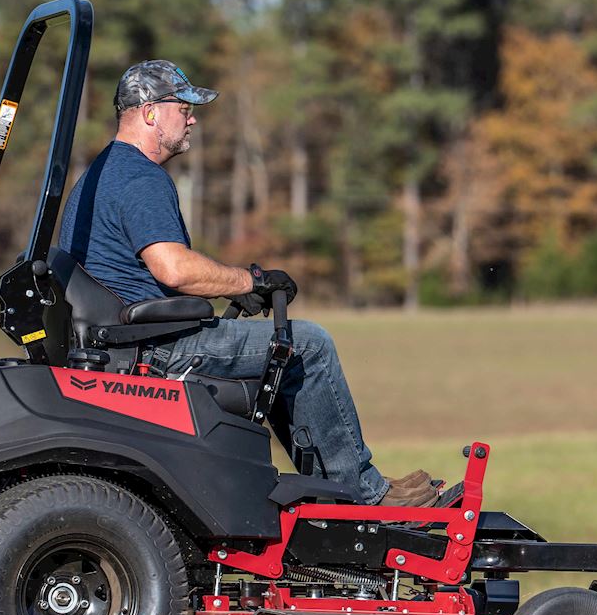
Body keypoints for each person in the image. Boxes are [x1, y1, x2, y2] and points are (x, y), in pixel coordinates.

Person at [57, 59, 446, 507]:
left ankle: (331, 489)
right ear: (149, 112)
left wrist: (233, 288)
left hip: (125, 336)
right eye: (183, 108)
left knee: (278, 347)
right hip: (152, 348)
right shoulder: (140, 177)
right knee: (309, 343)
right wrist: (250, 279)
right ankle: (361, 493)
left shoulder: (100, 173)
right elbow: (174, 269)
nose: (192, 118)